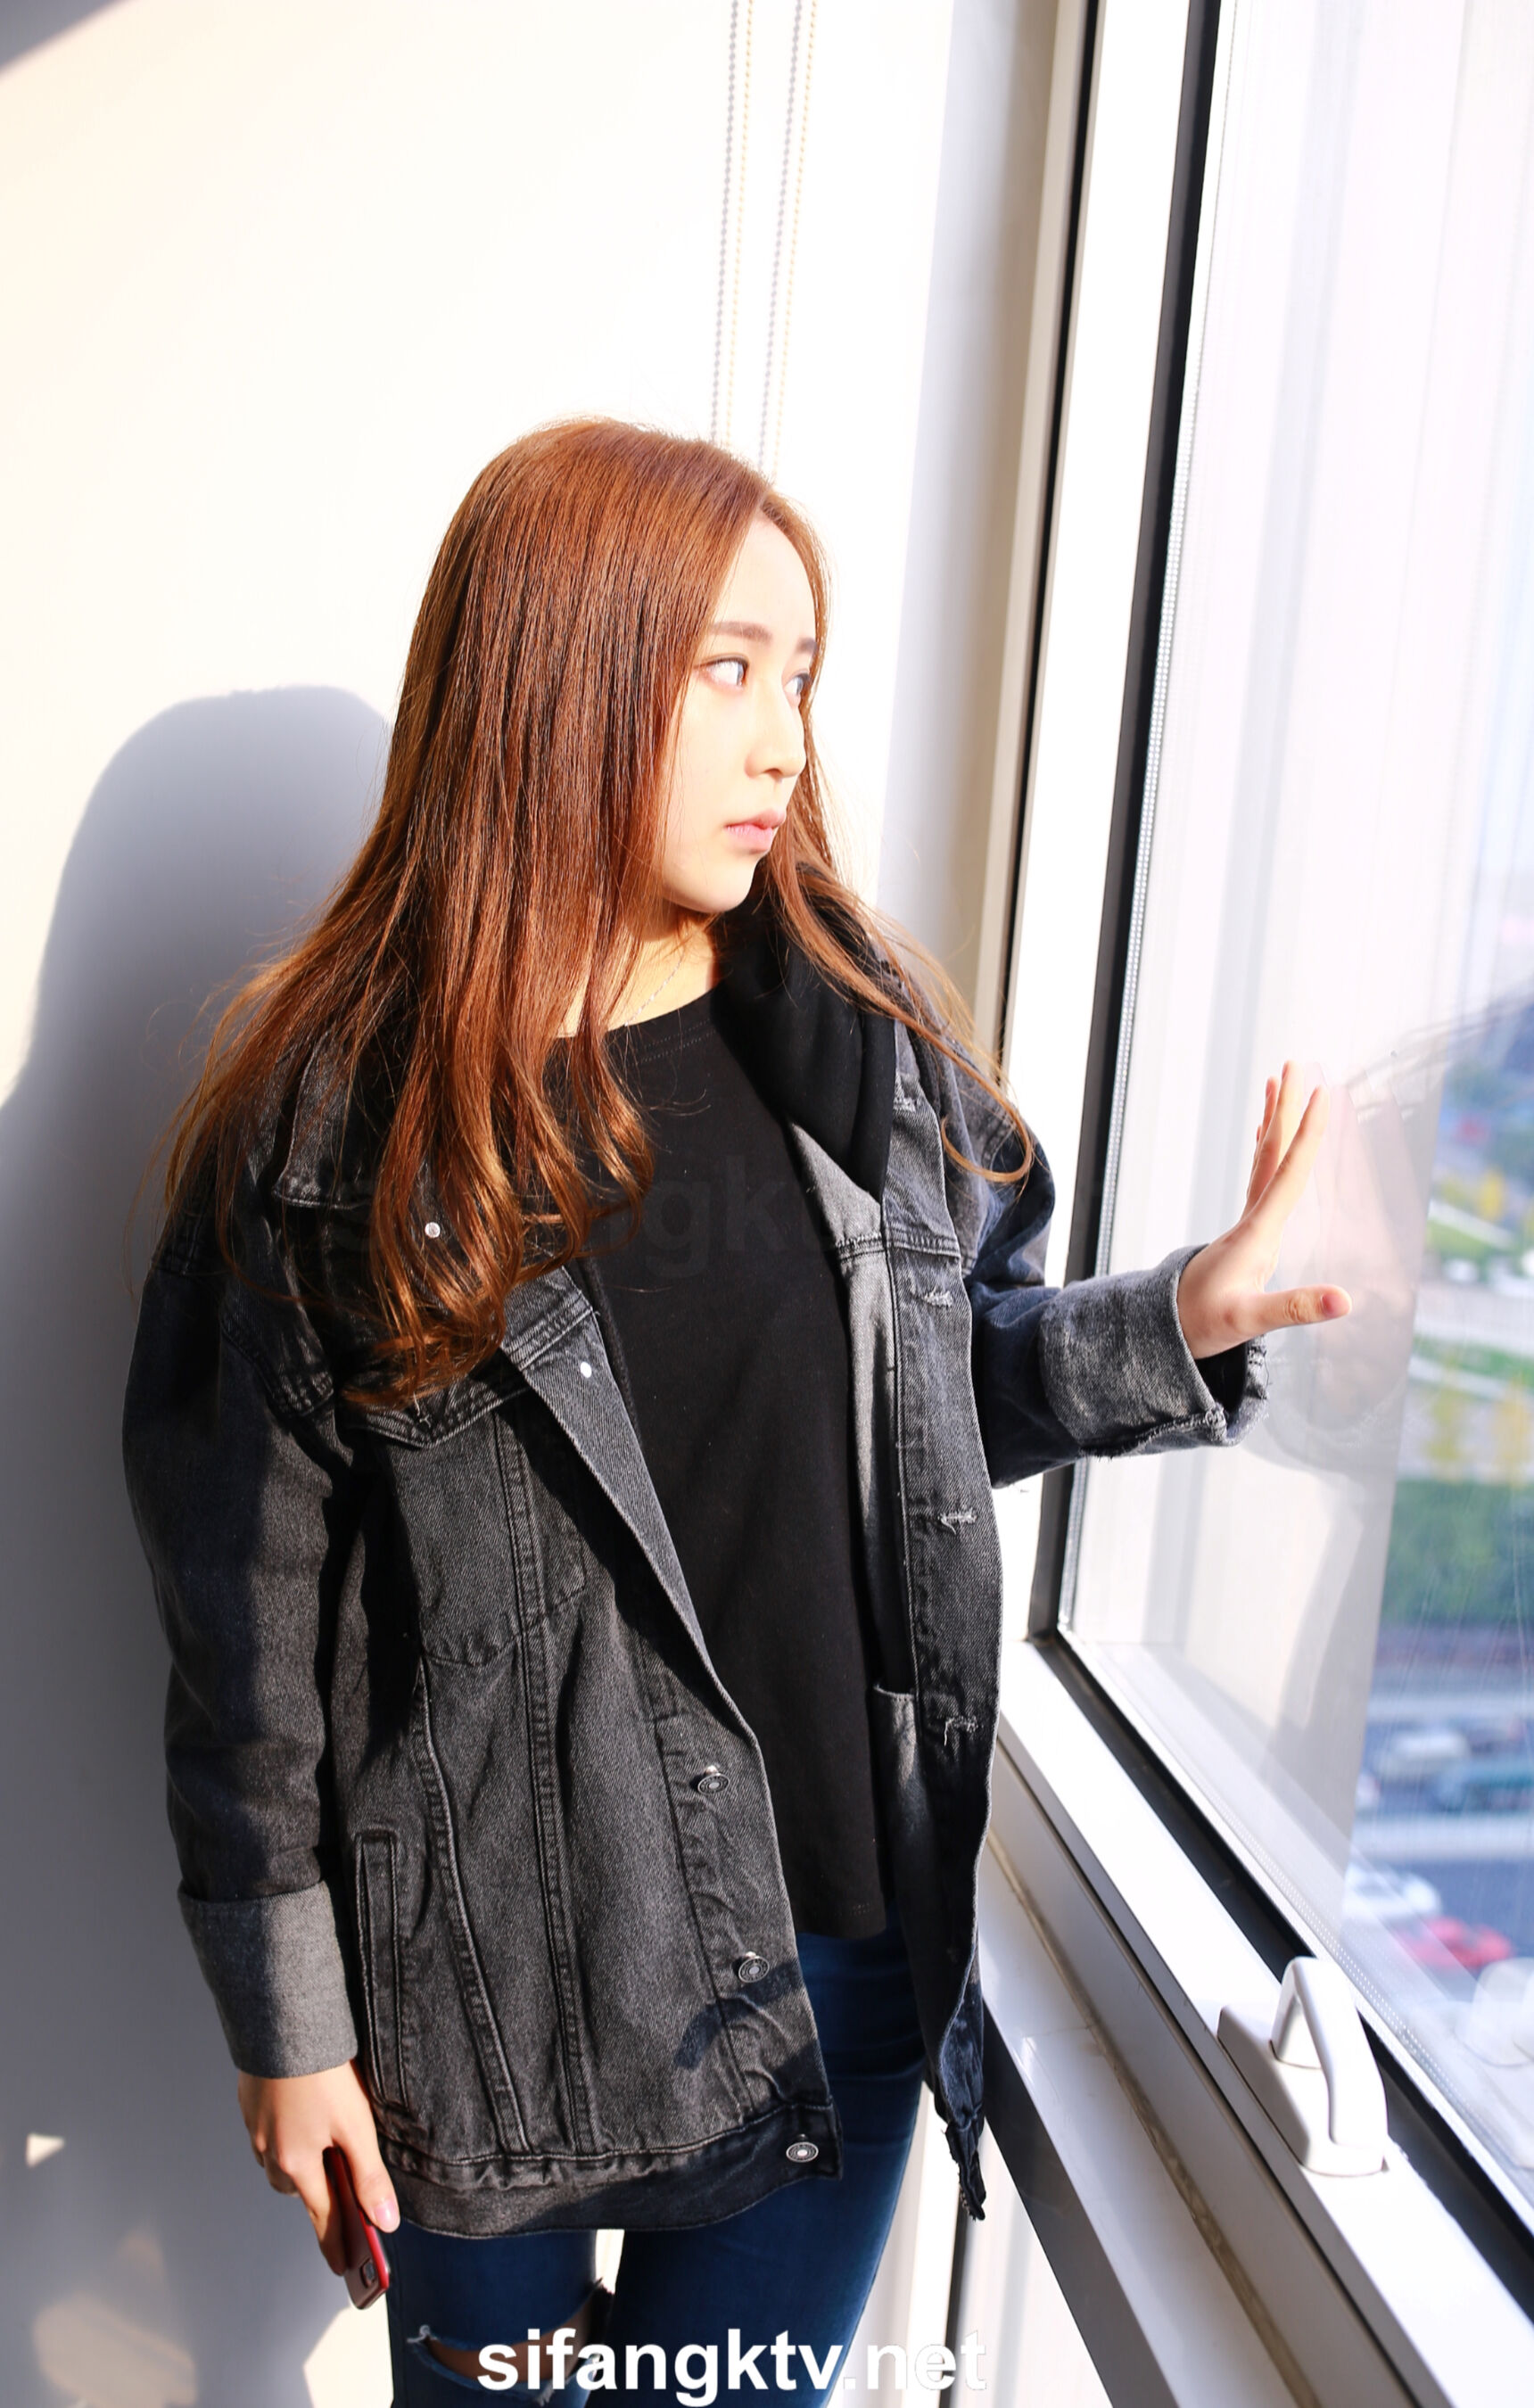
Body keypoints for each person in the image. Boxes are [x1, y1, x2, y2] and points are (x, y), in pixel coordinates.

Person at [121, 419, 1348, 2403]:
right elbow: (245, 1631)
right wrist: (290, 2023)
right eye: (728, 670)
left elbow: (920, 1428)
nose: (785, 740)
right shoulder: (332, 1135)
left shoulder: (856, 1053)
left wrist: (1185, 1318)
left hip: (832, 1965)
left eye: (803, 677)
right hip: (490, 2009)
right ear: (562, 674)